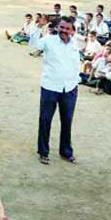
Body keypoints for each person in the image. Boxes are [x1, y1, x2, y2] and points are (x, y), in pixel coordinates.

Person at [30, 15, 80, 165]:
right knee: (45, 120)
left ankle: (66, 151)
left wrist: (76, 80)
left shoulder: (74, 44)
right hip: (50, 87)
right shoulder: (48, 40)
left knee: (67, 121)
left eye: (67, 28)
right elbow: (34, 44)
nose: (63, 30)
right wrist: (39, 27)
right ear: (58, 27)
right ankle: (43, 152)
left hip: (70, 89)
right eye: (62, 27)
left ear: (72, 31)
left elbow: (75, 64)